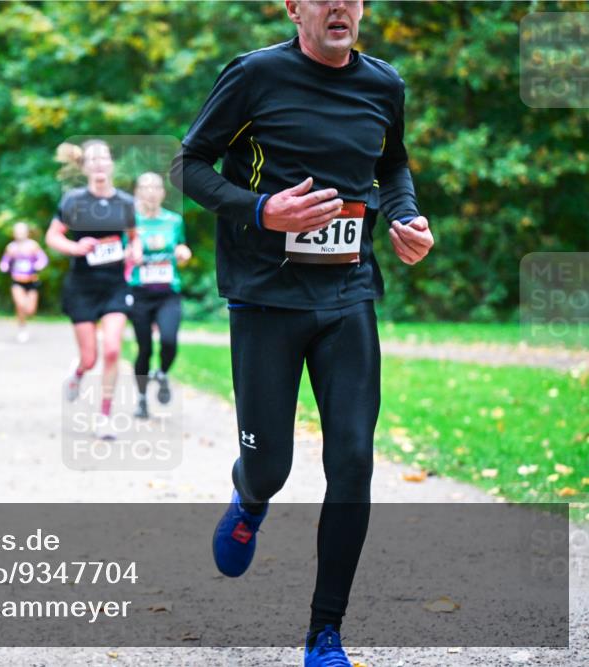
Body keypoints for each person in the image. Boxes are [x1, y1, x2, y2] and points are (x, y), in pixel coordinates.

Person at [170, 1, 434, 665]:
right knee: (273, 464)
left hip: (348, 296)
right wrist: (262, 209)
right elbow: (188, 166)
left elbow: (392, 166)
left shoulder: (384, 84)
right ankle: (250, 495)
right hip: (265, 300)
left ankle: (325, 632)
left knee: (352, 458)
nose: (341, 6)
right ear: (295, 7)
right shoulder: (255, 76)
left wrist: (405, 216)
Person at [46, 139, 140, 438]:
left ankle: (104, 417)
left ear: (111, 164)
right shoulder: (73, 200)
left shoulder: (125, 202)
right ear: (84, 166)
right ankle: (78, 374)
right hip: (82, 286)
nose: (99, 163)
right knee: (90, 359)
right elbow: (53, 237)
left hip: (114, 284)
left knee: (112, 350)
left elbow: (134, 237)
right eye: (93, 159)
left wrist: (134, 251)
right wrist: (76, 247)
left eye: (104, 158)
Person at [127, 173, 192, 419]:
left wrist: (183, 251)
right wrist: (129, 254)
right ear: (138, 192)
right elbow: (123, 252)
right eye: (145, 187)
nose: (151, 191)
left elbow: (182, 245)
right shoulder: (130, 222)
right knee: (144, 348)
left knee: (169, 340)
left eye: (156, 187)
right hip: (140, 292)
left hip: (168, 293)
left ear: (163, 193)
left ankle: (162, 373)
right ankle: (142, 399)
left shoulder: (174, 221)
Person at [0, 222, 49, 343]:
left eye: (22, 231)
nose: (19, 234)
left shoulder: (33, 245)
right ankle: (22, 329)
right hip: (17, 281)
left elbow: (43, 258)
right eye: (17, 231)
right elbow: (4, 261)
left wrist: (39, 264)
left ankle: (24, 320)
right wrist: (4, 266)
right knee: (20, 304)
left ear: (27, 233)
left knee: (30, 310)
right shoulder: (11, 247)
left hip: (31, 281)